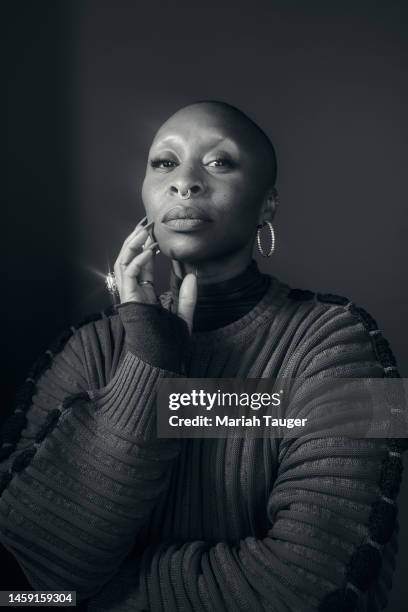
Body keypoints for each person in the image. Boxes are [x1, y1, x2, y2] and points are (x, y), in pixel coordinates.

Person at [0, 100, 405, 611]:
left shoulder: (348, 340)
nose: (185, 182)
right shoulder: (84, 347)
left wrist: (94, 597)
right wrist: (150, 361)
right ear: (146, 195)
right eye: (165, 163)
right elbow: (25, 577)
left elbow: (320, 585)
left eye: (219, 162)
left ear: (268, 206)